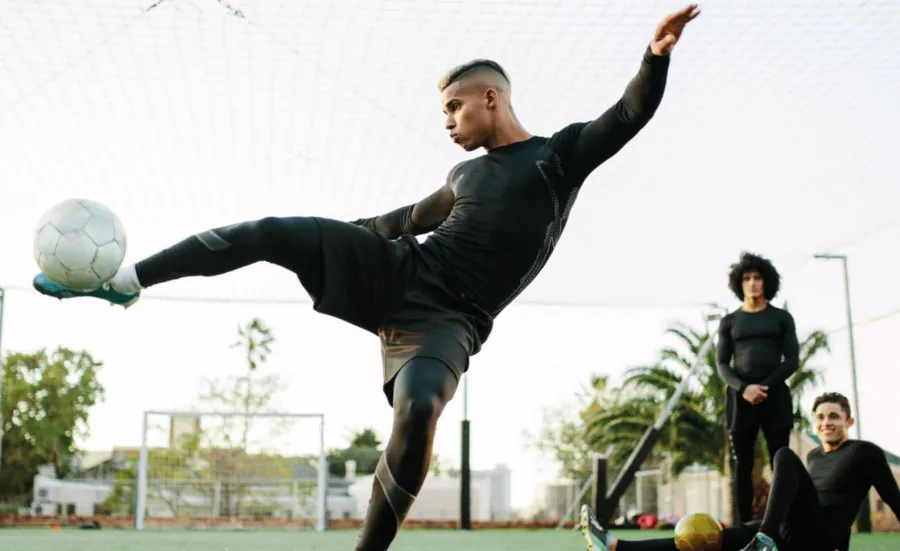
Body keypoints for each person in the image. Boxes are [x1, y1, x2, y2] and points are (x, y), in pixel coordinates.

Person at [32, 4, 701, 550]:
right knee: (272, 229)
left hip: (450, 319)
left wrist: (655, 58)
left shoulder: (558, 157)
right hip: (403, 268)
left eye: (454, 108)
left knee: (418, 408)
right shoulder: (463, 174)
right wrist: (336, 237)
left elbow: (628, 114)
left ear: (491, 97)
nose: (446, 121)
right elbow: (404, 219)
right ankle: (128, 279)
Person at [579, 392, 900, 551]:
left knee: (785, 454)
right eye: (821, 417)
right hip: (792, 531)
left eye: (834, 417)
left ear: (849, 422)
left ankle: (764, 539)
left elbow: (893, 501)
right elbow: (801, 499)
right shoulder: (815, 456)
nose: (827, 423)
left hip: (821, 536)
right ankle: (615, 545)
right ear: (815, 422)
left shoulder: (864, 452)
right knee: (707, 538)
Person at [716, 251, 800, 523]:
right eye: (747, 278)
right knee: (742, 465)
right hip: (741, 400)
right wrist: (744, 389)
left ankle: (786, 524)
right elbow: (722, 364)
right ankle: (742, 528)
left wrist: (763, 386)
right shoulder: (729, 322)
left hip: (774, 396)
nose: (752, 283)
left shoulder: (781, 318)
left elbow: (793, 359)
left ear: (767, 282)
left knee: (781, 460)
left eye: (757, 278)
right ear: (739, 284)